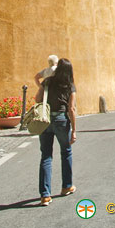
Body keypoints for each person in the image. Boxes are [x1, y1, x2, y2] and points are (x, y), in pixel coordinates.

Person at [35, 58, 77, 206]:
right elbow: (71, 109)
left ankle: (45, 195)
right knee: (66, 152)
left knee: (46, 156)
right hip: (61, 120)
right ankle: (67, 186)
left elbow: (37, 99)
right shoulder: (70, 86)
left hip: (46, 120)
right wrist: (74, 130)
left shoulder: (47, 81)